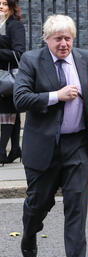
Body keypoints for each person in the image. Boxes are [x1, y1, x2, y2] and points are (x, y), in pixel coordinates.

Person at [13, 14, 88, 257]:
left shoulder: (87, 57)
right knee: (39, 202)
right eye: (58, 39)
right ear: (47, 39)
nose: (64, 44)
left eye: (68, 38)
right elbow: (20, 98)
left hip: (76, 144)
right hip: (43, 147)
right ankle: (30, 231)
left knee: (76, 205)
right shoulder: (32, 60)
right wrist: (58, 95)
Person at [0, 0, 25, 165]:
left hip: (7, 77)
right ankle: (15, 149)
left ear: (11, 6)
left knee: (6, 110)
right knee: (11, 112)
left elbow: (19, 52)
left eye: (4, 3)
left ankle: (1, 151)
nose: (0, 6)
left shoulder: (14, 26)